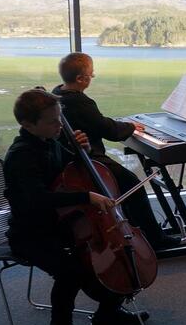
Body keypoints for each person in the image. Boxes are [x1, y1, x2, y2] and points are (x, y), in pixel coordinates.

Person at [2, 89, 150, 325]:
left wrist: (82, 149)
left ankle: (107, 315)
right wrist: (87, 196)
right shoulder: (21, 156)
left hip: (66, 224)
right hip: (31, 232)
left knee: (114, 258)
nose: (60, 126)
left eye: (60, 119)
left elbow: (76, 169)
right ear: (27, 125)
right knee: (71, 271)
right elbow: (39, 199)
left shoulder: (52, 141)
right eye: (52, 122)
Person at [52, 53, 174, 252]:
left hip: (75, 157)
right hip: (89, 160)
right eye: (92, 75)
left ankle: (141, 232)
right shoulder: (80, 102)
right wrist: (130, 127)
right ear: (81, 79)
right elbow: (108, 130)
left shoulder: (58, 94)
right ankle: (155, 239)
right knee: (132, 184)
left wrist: (123, 124)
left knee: (127, 186)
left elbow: (95, 121)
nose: (92, 77)